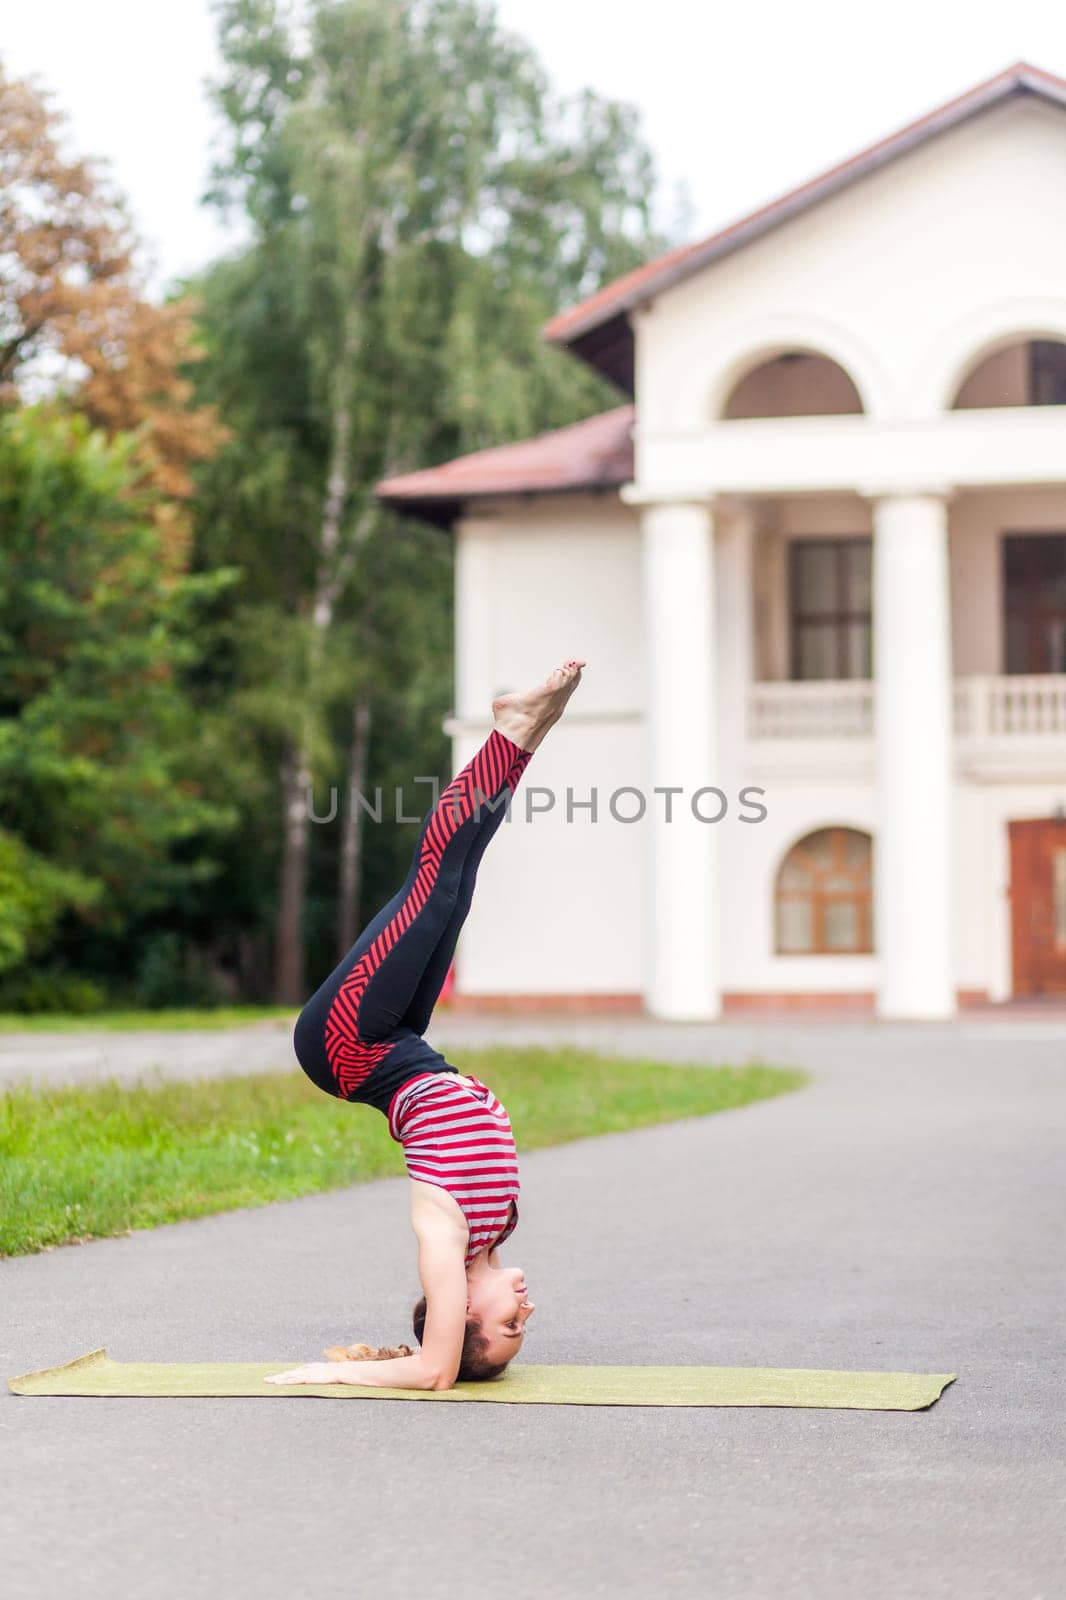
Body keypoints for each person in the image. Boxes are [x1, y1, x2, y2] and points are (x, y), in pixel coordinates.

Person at [266, 659, 585, 1391]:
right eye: (522, 1330)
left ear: (462, 1308)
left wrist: (333, 1374)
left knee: (433, 884)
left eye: (507, 1327)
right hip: (399, 1046)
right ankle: (525, 735)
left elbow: (437, 1371)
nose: (525, 1313)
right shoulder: (494, 1229)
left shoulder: (443, 1238)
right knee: (459, 884)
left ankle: (510, 730)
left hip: (347, 1046)